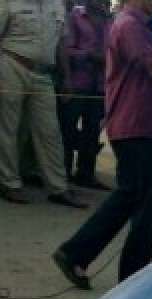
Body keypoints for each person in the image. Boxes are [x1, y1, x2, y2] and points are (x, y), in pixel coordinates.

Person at [52, 0, 152, 289]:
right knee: (148, 206)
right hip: (137, 124)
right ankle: (132, 278)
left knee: (131, 196)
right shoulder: (129, 26)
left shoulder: (147, 26)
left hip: (150, 123)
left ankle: (76, 253)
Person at [0, 0, 88, 206]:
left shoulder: (57, 5)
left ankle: (58, 187)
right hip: (12, 64)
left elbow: (61, 43)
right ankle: (9, 183)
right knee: (8, 129)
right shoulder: (8, 2)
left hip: (44, 74)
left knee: (50, 131)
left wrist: (66, 78)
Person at [59, 0, 111, 189]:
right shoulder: (75, 17)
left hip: (99, 86)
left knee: (92, 131)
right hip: (76, 82)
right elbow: (66, 49)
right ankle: (62, 173)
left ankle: (86, 174)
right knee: (67, 129)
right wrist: (89, 55)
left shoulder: (110, 21)